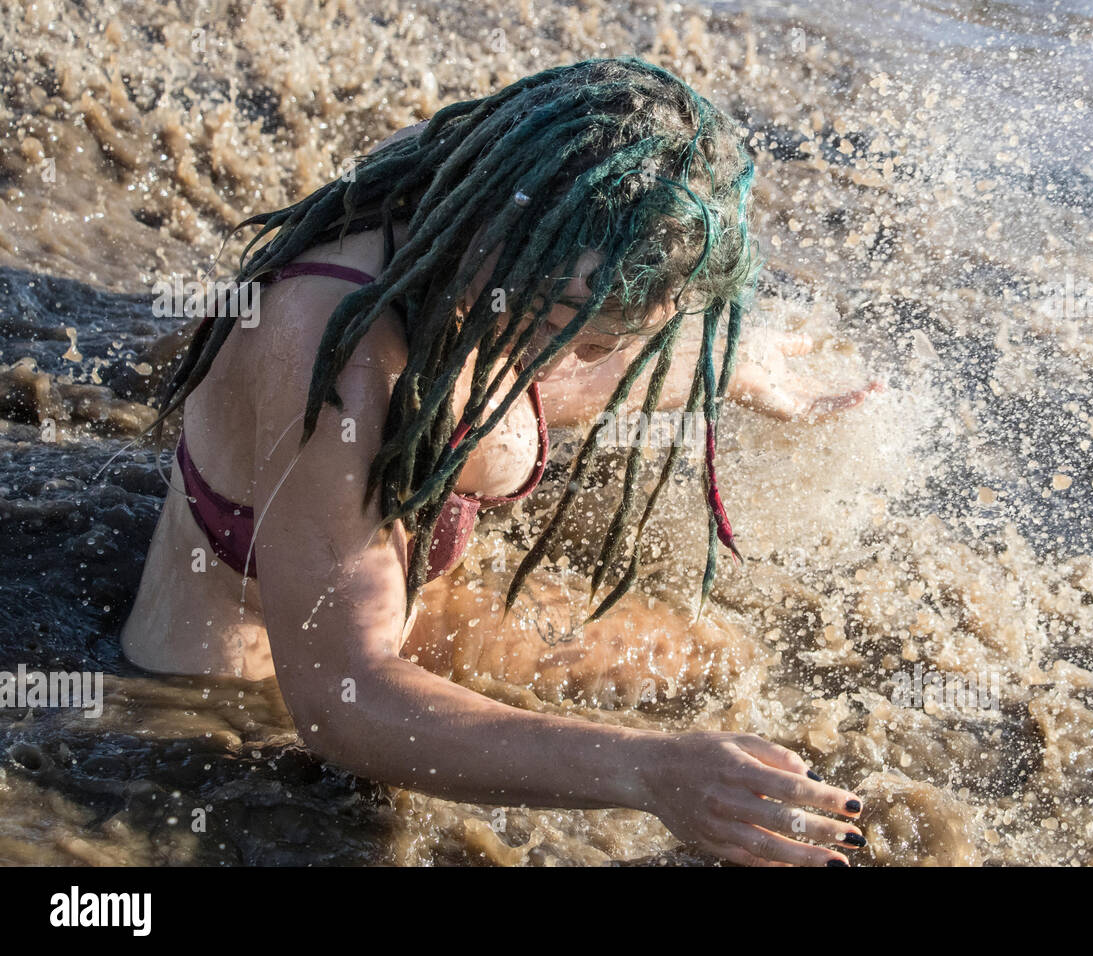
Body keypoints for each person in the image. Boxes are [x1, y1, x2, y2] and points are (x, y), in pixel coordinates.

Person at [122, 57, 871, 866]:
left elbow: (514, 389)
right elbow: (343, 701)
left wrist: (734, 368)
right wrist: (647, 772)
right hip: (244, 697)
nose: (583, 357)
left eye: (611, 339)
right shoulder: (333, 350)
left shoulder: (496, 191)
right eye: (579, 332)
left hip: (401, 614)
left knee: (730, 658)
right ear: (504, 247)